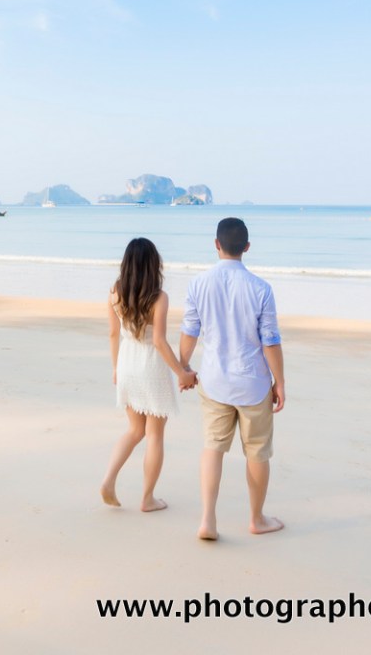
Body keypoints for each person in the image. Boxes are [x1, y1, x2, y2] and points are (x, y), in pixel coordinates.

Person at [179, 217, 286, 541]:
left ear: (216, 244)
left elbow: (189, 331)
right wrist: (279, 382)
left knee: (213, 448)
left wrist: (183, 368)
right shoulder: (261, 288)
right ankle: (256, 519)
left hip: (214, 381)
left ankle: (208, 519)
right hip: (252, 383)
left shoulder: (198, 284)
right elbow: (270, 340)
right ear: (247, 248)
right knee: (257, 452)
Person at [100, 237, 198, 512]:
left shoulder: (114, 292)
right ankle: (147, 499)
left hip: (128, 362)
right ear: (154, 264)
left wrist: (115, 367)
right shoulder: (159, 298)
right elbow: (158, 341)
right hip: (151, 366)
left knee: (134, 430)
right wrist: (181, 372)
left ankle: (108, 480)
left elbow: (112, 333)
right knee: (154, 435)